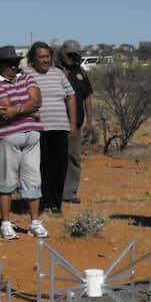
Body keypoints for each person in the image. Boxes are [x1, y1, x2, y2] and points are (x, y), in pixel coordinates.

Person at [0, 46, 47, 240]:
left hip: (31, 136)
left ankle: (35, 222)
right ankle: (6, 224)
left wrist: (16, 110)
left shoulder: (26, 77)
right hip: (5, 138)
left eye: (16, 63)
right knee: (7, 181)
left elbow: (37, 100)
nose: (13, 67)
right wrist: (29, 110)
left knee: (33, 180)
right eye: (9, 64)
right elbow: (2, 110)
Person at [24, 41, 76, 214]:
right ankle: (44, 203)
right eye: (41, 57)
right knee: (43, 167)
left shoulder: (58, 73)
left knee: (61, 166)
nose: (46, 60)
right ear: (33, 59)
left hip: (60, 126)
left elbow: (71, 97)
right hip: (39, 128)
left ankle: (56, 204)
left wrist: (73, 123)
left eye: (48, 56)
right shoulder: (26, 74)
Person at [59, 47, 93, 204]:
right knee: (56, 157)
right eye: (69, 55)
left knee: (74, 156)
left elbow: (87, 96)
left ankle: (69, 192)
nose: (72, 58)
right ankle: (53, 191)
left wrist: (90, 121)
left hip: (76, 122)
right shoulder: (54, 71)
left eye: (75, 55)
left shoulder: (81, 73)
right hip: (56, 122)